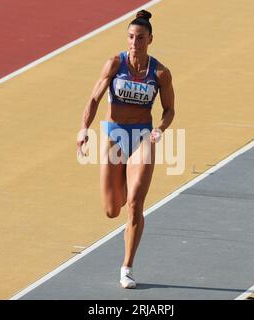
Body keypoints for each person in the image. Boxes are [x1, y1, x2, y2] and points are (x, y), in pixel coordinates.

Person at [77, 9, 175, 289]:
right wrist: (84, 129)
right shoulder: (113, 64)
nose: (134, 42)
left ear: (150, 40)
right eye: (131, 37)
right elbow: (94, 98)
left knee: (135, 204)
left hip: (143, 137)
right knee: (112, 210)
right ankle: (119, 190)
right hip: (114, 136)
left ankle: (127, 266)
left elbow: (170, 110)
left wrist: (160, 129)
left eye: (140, 38)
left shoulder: (160, 73)